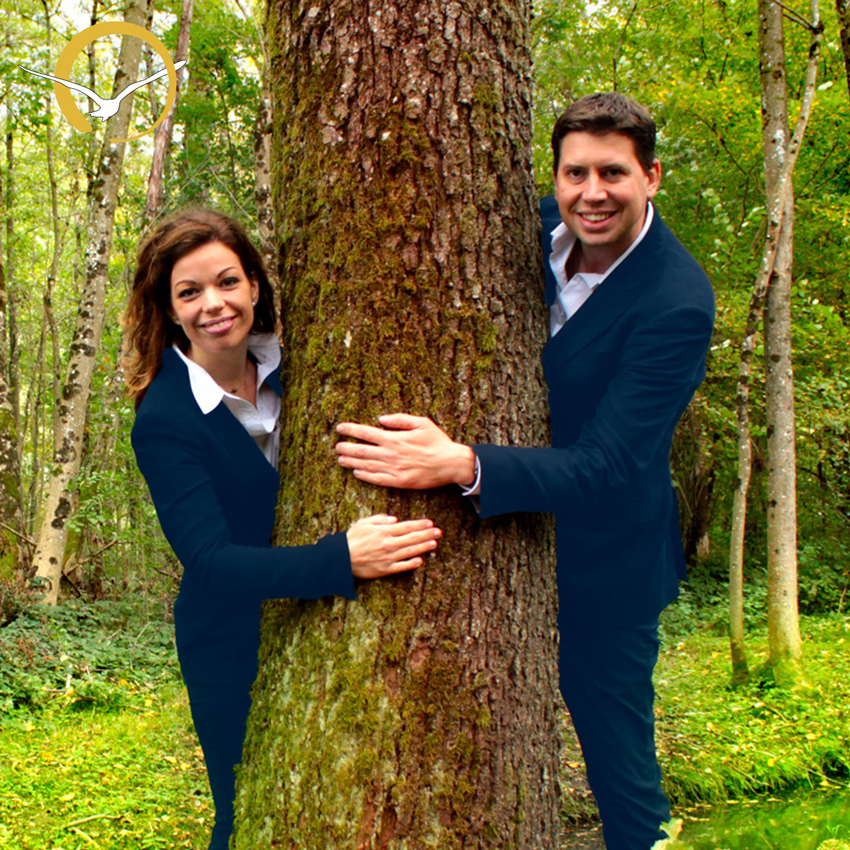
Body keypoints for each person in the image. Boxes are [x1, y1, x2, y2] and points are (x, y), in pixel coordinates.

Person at [334, 92, 715, 850]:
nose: (591, 193)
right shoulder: (526, 226)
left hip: (610, 556)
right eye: (576, 173)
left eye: (614, 172)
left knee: (618, 759)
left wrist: (459, 462)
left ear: (652, 177)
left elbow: (608, 466)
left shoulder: (676, 301)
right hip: (499, 545)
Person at [124, 210, 442, 850]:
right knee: (246, 812)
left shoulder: (307, 365)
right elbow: (210, 561)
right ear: (170, 308)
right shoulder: (165, 416)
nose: (214, 304)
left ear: (254, 286)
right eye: (190, 292)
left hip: (320, 623)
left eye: (227, 282)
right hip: (228, 642)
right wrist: (341, 558)